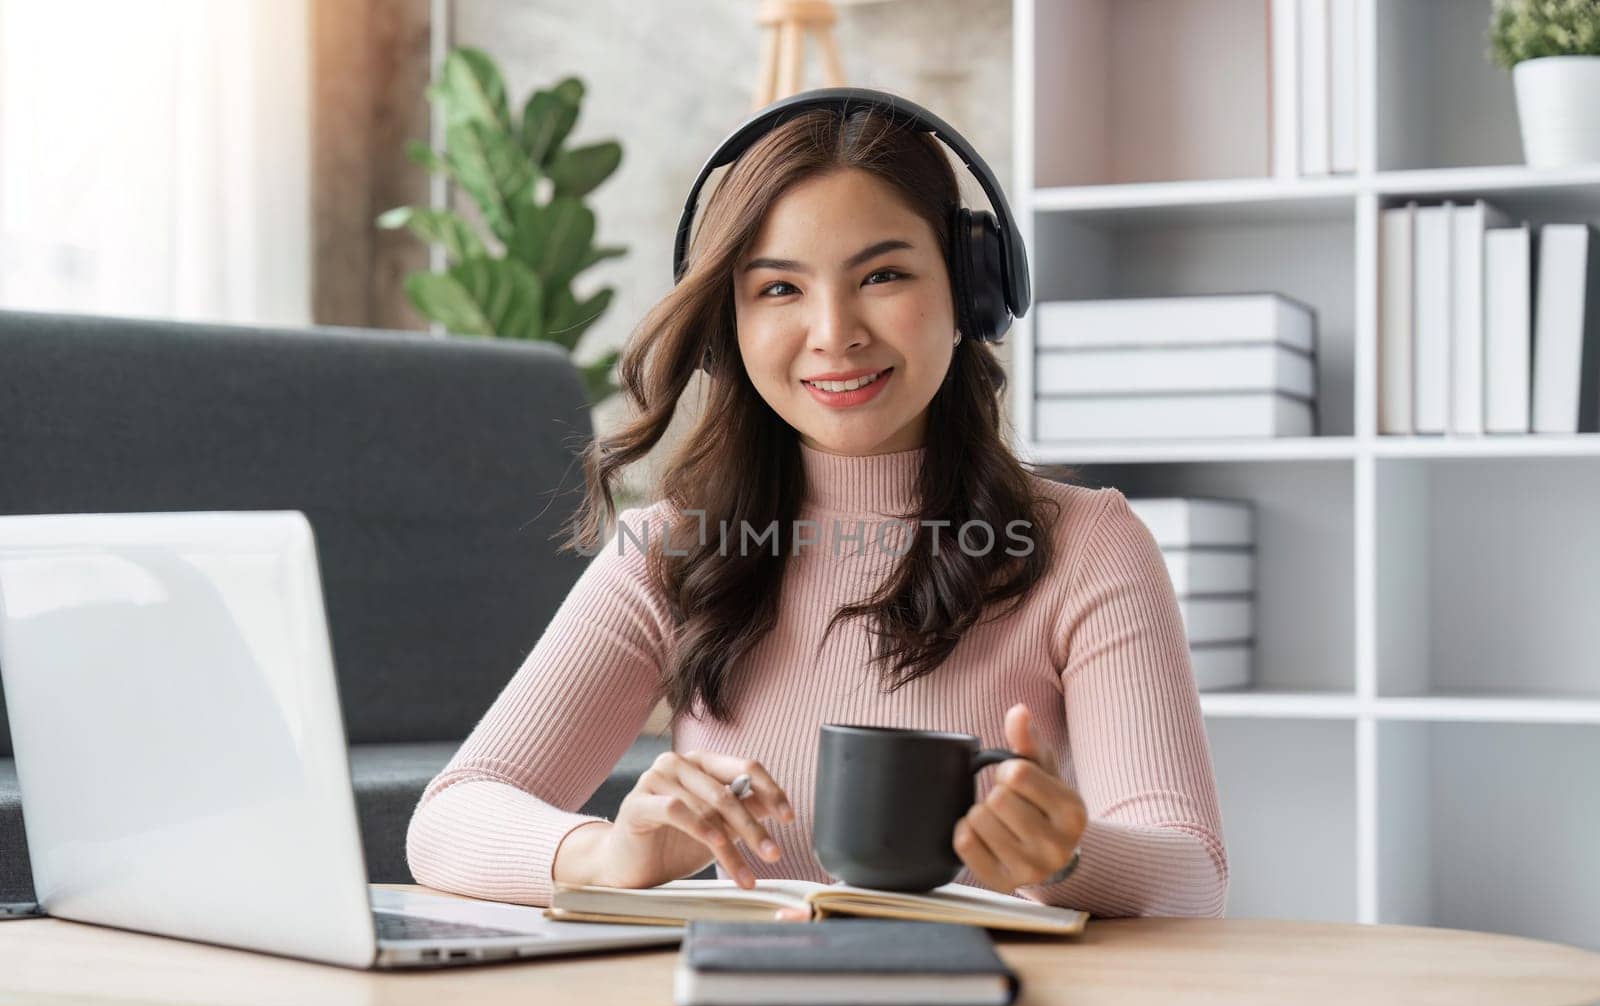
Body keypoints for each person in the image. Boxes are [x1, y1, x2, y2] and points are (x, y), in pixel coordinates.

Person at [406, 93, 1229, 919]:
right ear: (731, 322)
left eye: (882, 275)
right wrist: (606, 853)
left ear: (970, 291)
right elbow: (449, 815)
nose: (834, 332)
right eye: (778, 289)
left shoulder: (1086, 545)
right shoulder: (667, 550)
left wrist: (1067, 857)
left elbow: (1192, 872)